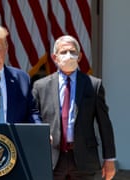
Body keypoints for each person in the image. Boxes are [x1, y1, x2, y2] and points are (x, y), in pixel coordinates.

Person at [32, 35, 116, 180]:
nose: (68, 56)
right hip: (51, 158)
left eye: (72, 52)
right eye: (63, 52)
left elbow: (105, 124)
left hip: (83, 158)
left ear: (80, 56)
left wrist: (109, 159)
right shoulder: (41, 86)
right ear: (54, 57)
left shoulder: (93, 85)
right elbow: (33, 116)